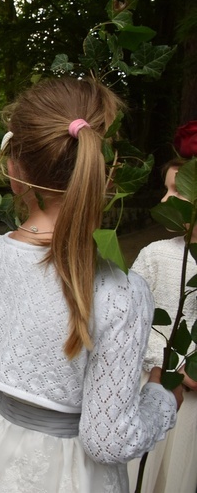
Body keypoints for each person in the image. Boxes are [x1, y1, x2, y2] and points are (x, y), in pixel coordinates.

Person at [0, 77, 181, 492]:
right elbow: (108, 440)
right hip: (68, 473)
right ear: (107, 172)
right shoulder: (121, 292)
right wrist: (161, 399)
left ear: (13, 169)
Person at [125, 158, 197, 493]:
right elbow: (132, 321)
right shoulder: (155, 254)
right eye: (164, 189)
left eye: (176, 191)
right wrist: (172, 365)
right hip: (156, 384)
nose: (165, 200)